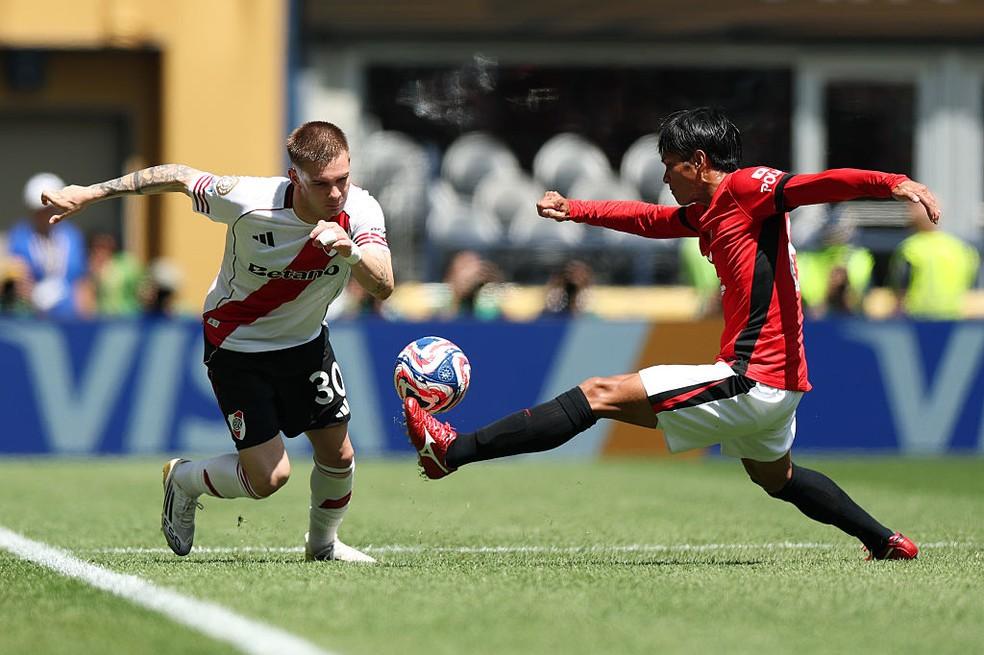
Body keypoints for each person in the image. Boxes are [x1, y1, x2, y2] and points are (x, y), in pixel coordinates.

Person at [404, 107, 937, 561]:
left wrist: (893, 183)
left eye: (669, 166)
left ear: (697, 163)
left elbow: (814, 186)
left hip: (754, 378)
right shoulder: (709, 211)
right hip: (779, 384)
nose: (665, 178)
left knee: (598, 394)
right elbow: (649, 220)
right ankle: (885, 541)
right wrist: (575, 209)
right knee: (779, 479)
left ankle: (451, 451)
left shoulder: (747, 188)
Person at [41, 121, 393, 563]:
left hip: (305, 343)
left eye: (343, 179)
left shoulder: (360, 211)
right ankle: (184, 480)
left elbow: (383, 285)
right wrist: (90, 192)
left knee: (339, 454)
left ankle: (322, 546)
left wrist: (351, 250)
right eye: (322, 184)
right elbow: (176, 175)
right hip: (237, 344)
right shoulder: (246, 200)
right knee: (270, 478)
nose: (336, 193)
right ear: (294, 178)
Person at [7, 172, 89, 318]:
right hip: (33, 318)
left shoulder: (72, 236)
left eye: (49, 210)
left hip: (69, 317)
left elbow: (81, 281)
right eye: (40, 211)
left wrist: (84, 317)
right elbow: (19, 281)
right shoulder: (19, 237)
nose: (45, 216)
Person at [888, 202, 979, 319]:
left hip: (918, 316)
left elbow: (900, 285)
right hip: (953, 315)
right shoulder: (960, 247)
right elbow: (971, 282)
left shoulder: (910, 247)